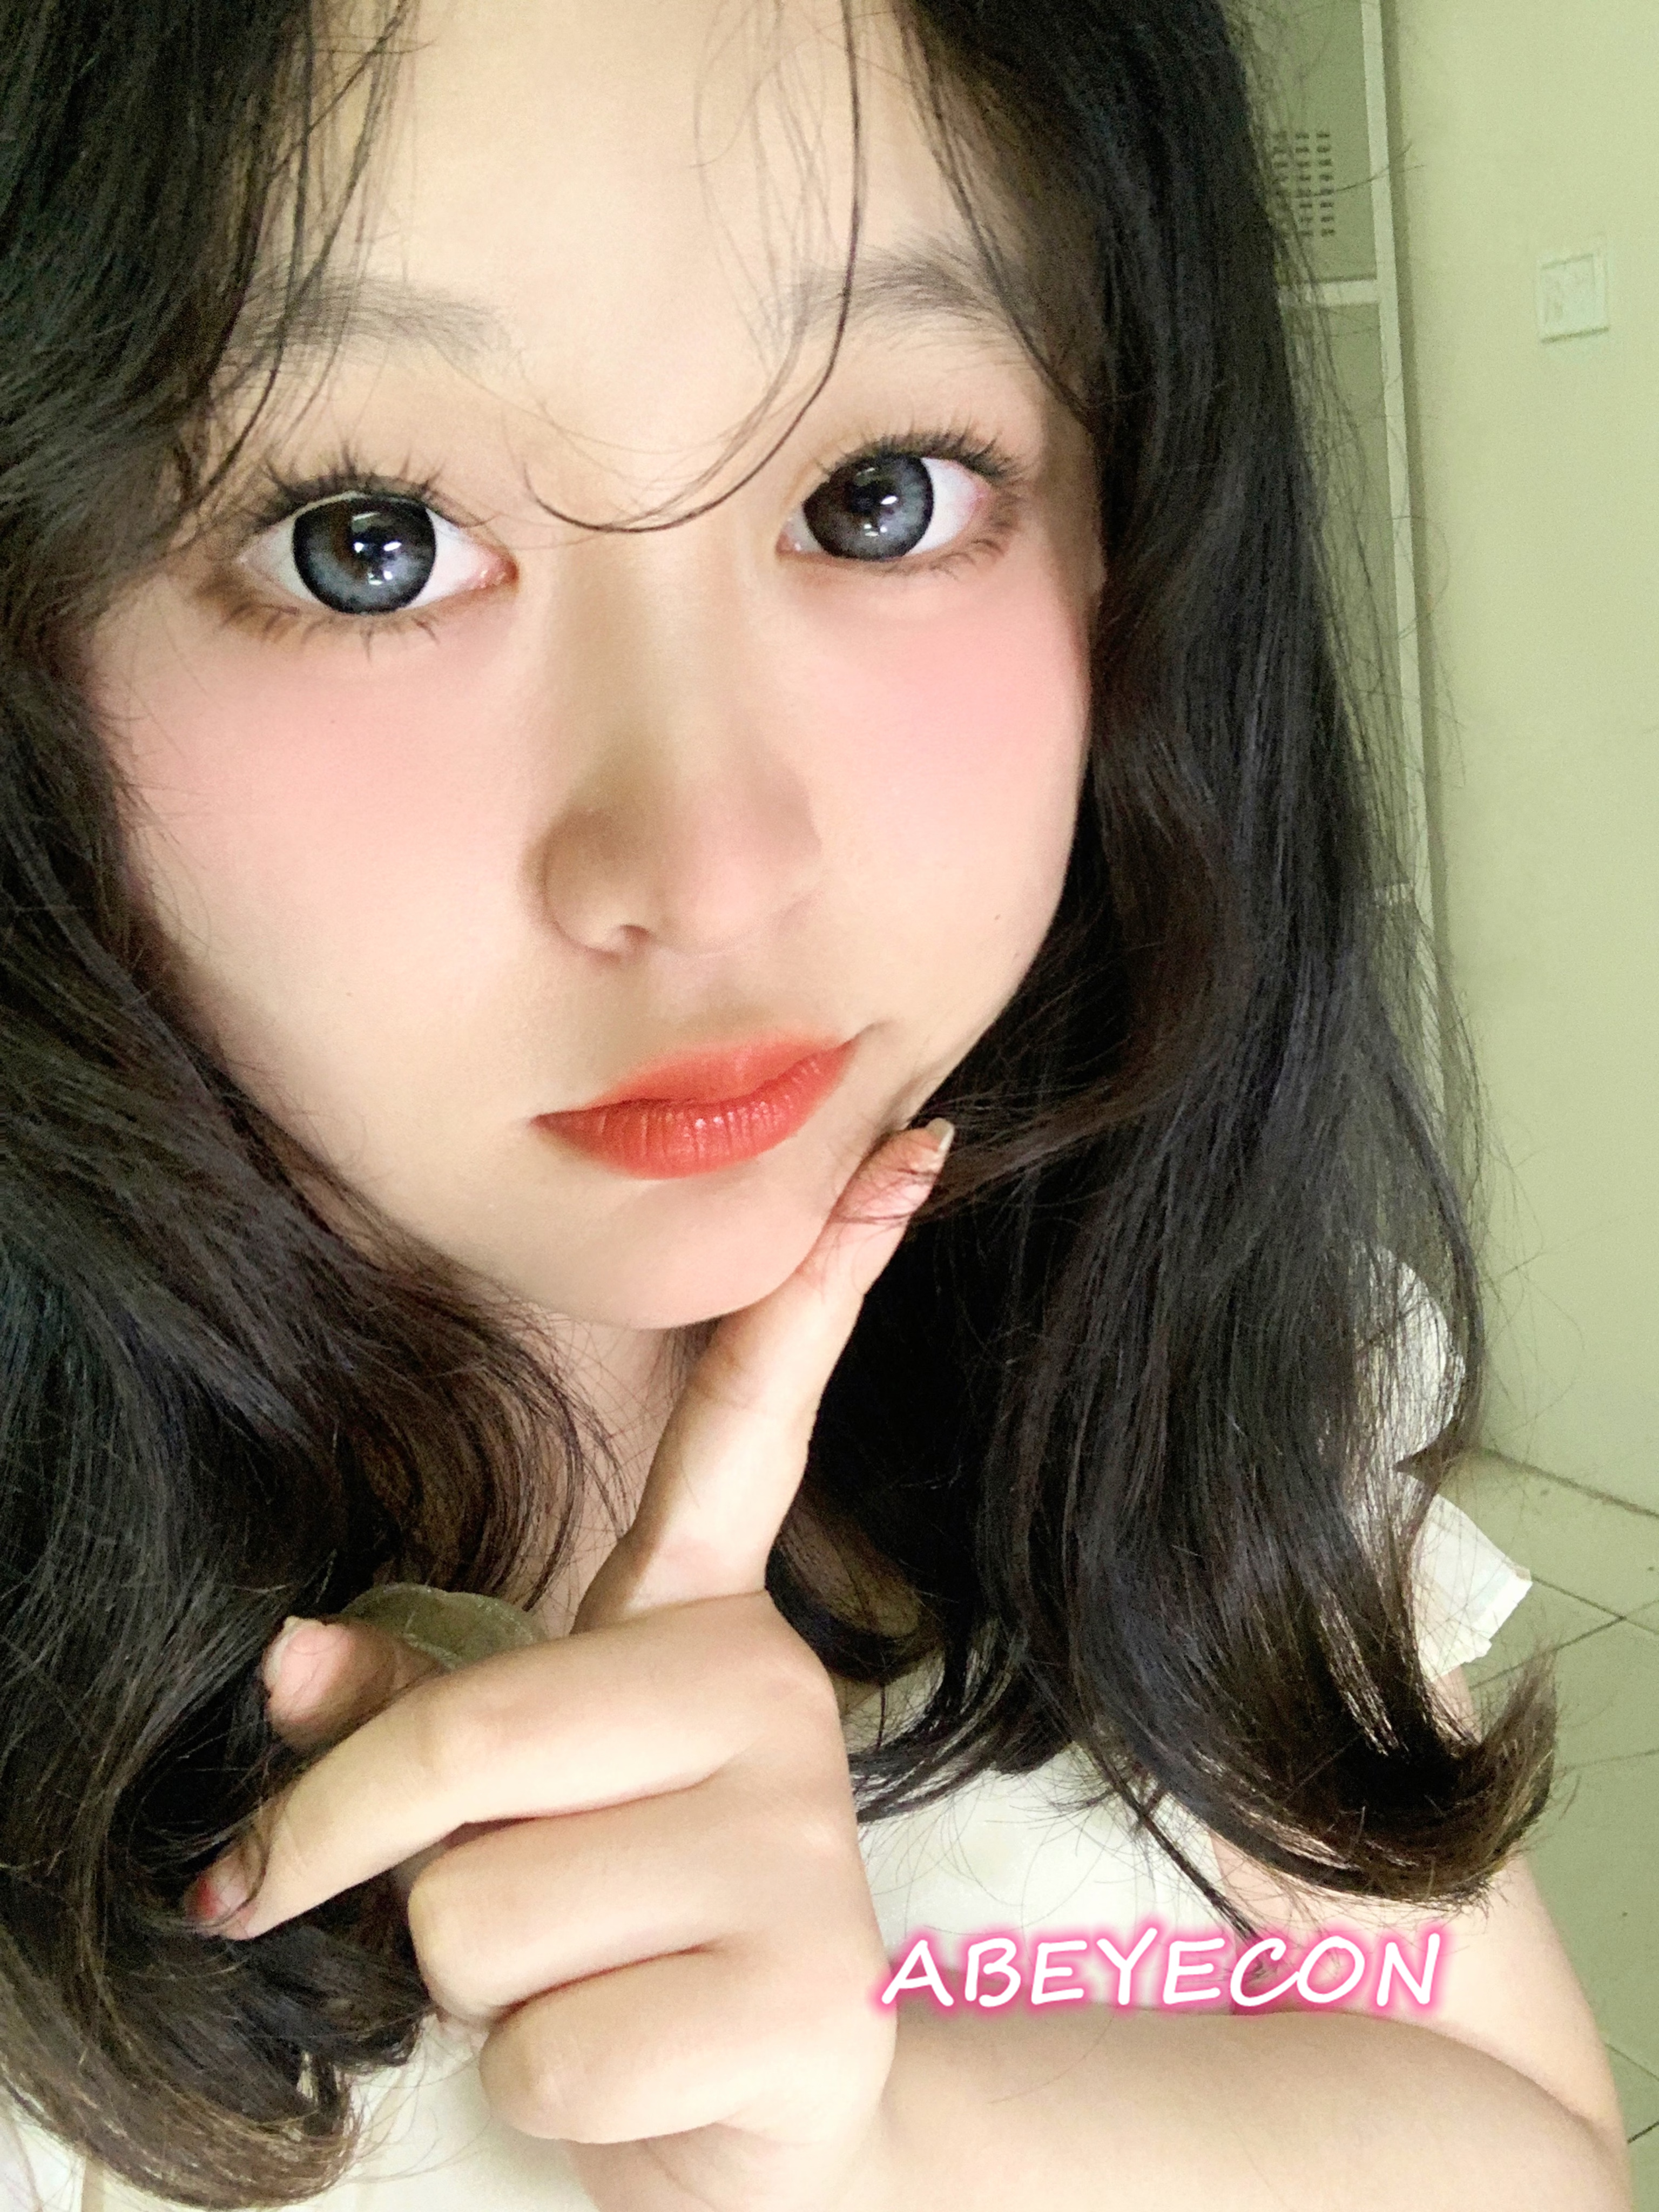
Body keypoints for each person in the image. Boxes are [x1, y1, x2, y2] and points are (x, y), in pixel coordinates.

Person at [0, 0, 1630, 2206]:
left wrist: (876, 2138)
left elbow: (1536, 2153)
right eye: (362, 540)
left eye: (880, 498)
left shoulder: (1135, 1370)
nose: (707, 867)